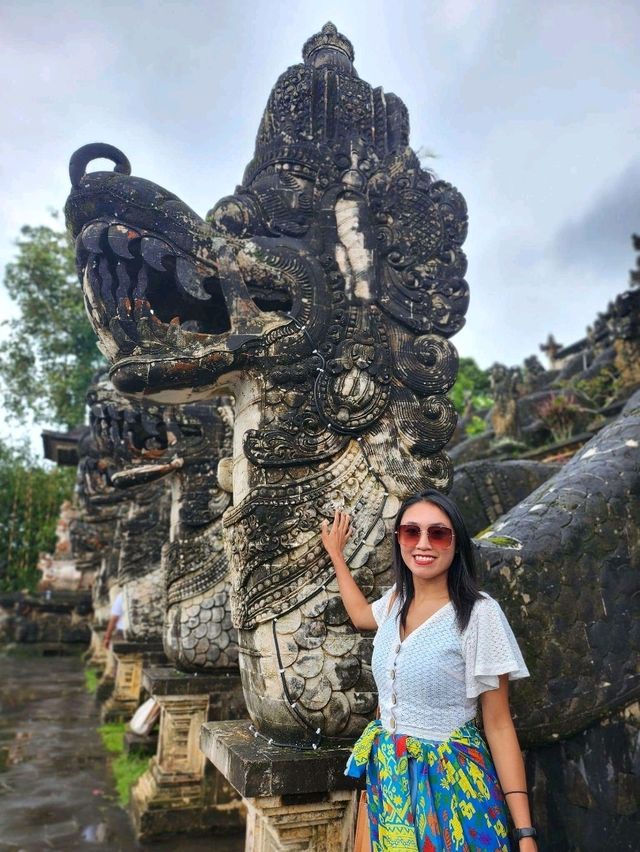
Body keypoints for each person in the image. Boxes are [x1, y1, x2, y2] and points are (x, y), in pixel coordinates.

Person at [321, 489, 537, 852]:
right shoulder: (396, 601)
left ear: (456, 544)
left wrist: (526, 833)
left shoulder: (478, 614)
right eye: (411, 532)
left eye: (438, 533)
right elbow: (360, 616)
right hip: (388, 779)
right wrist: (336, 556)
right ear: (399, 539)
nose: (423, 543)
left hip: (451, 784)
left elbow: (498, 724)